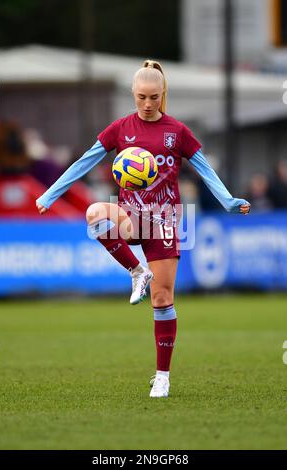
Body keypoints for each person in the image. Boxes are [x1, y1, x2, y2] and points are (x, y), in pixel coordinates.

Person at [36, 60, 250, 398]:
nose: (147, 104)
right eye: (140, 97)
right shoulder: (121, 129)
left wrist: (227, 200)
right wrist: (51, 193)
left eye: (153, 97)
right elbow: (84, 162)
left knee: (163, 299)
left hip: (164, 220)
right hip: (131, 215)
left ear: (163, 94)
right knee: (94, 212)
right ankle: (137, 272)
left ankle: (162, 376)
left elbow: (205, 169)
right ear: (133, 96)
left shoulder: (177, 132)